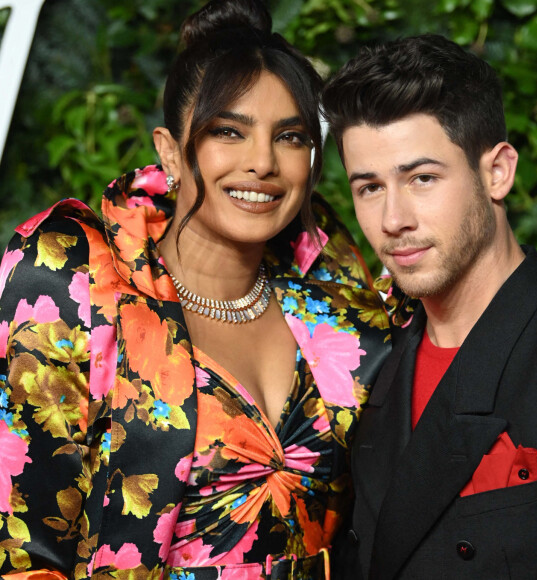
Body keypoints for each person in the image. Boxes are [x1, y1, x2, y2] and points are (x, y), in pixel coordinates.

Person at [0, 1, 404, 577]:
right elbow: (18, 546)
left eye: (289, 137)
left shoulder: (334, 294)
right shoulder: (75, 285)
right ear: (169, 149)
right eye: (228, 132)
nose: (262, 162)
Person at [321, 34, 537, 579]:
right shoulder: (366, 367)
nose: (394, 219)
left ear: (497, 172)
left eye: (422, 179)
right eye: (369, 188)